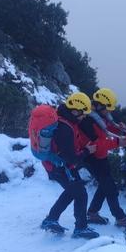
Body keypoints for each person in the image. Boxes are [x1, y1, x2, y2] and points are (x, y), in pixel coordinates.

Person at [38, 92, 101, 239]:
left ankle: (51, 219)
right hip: (61, 167)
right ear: (75, 110)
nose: (84, 117)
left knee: (72, 191)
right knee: (80, 193)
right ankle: (81, 228)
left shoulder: (64, 120)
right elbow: (71, 159)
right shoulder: (64, 128)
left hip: (55, 165)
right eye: (82, 113)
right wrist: (87, 151)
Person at [79, 88, 126, 229]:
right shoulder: (87, 121)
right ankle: (120, 218)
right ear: (99, 106)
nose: (108, 113)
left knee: (105, 185)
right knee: (110, 188)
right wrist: (118, 142)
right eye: (107, 109)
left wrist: (120, 130)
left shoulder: (97, 116)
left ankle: (92, 213)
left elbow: (106, 130)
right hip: (92, 157)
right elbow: (97, 143)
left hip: (99, 157)